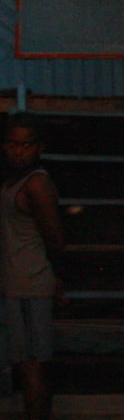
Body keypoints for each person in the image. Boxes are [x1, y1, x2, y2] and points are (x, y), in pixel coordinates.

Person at [0, 115, 61, 420]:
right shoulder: (13, 182)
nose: (18, 151)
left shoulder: (36, 183)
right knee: (26, 367)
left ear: (39, 147)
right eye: (13, 144)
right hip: (17, 286)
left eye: (26, 145)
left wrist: (57, 278)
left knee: (34, 367)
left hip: (30, 286)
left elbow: (55, 238)